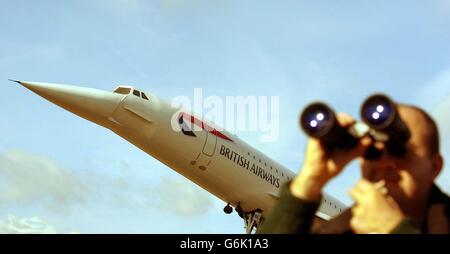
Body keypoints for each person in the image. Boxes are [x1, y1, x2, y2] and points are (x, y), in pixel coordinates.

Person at [257, 104, 449, 234]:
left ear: (435, 167)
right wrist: (308, 183)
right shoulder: (339, 228)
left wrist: (394, 228)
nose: (386, 163)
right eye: (374, 151)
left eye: (401, 151)